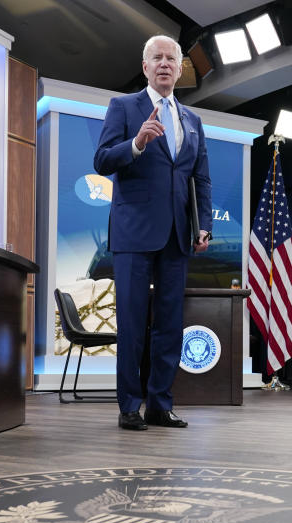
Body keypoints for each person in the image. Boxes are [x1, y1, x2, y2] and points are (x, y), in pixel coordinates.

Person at [94, 35, 212, 431]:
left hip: (178, 235)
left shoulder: (192, 121)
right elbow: (102, 159)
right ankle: (129, 405)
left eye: (171, 59)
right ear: (145, 67)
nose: (164, 64)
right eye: (156, 58)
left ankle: (160, 404)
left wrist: (204, 225)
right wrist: (137, 143)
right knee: (132, 322)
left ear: (181, 69)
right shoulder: (124, 107)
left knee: (168, 325)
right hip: (133, 234)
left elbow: (201, 179)